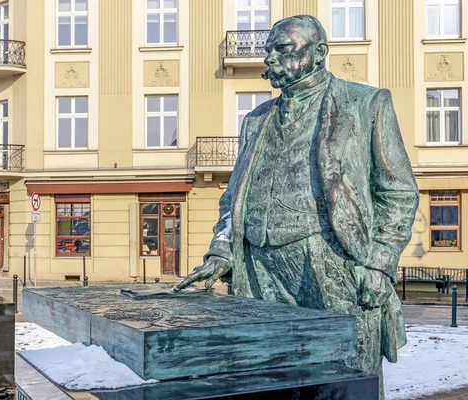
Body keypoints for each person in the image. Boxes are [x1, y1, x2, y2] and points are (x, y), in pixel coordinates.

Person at [174, 15, 418, 398]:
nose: (269, 57)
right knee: (265, 376)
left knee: (342, 376)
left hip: (329, 262)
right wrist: (222, 250)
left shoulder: (365, 103)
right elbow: (233, 195)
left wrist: (379, 263)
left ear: (319, 53)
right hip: (257, 266)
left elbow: (398, 191)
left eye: (282, 48)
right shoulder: (256, 120)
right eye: (268, 50)